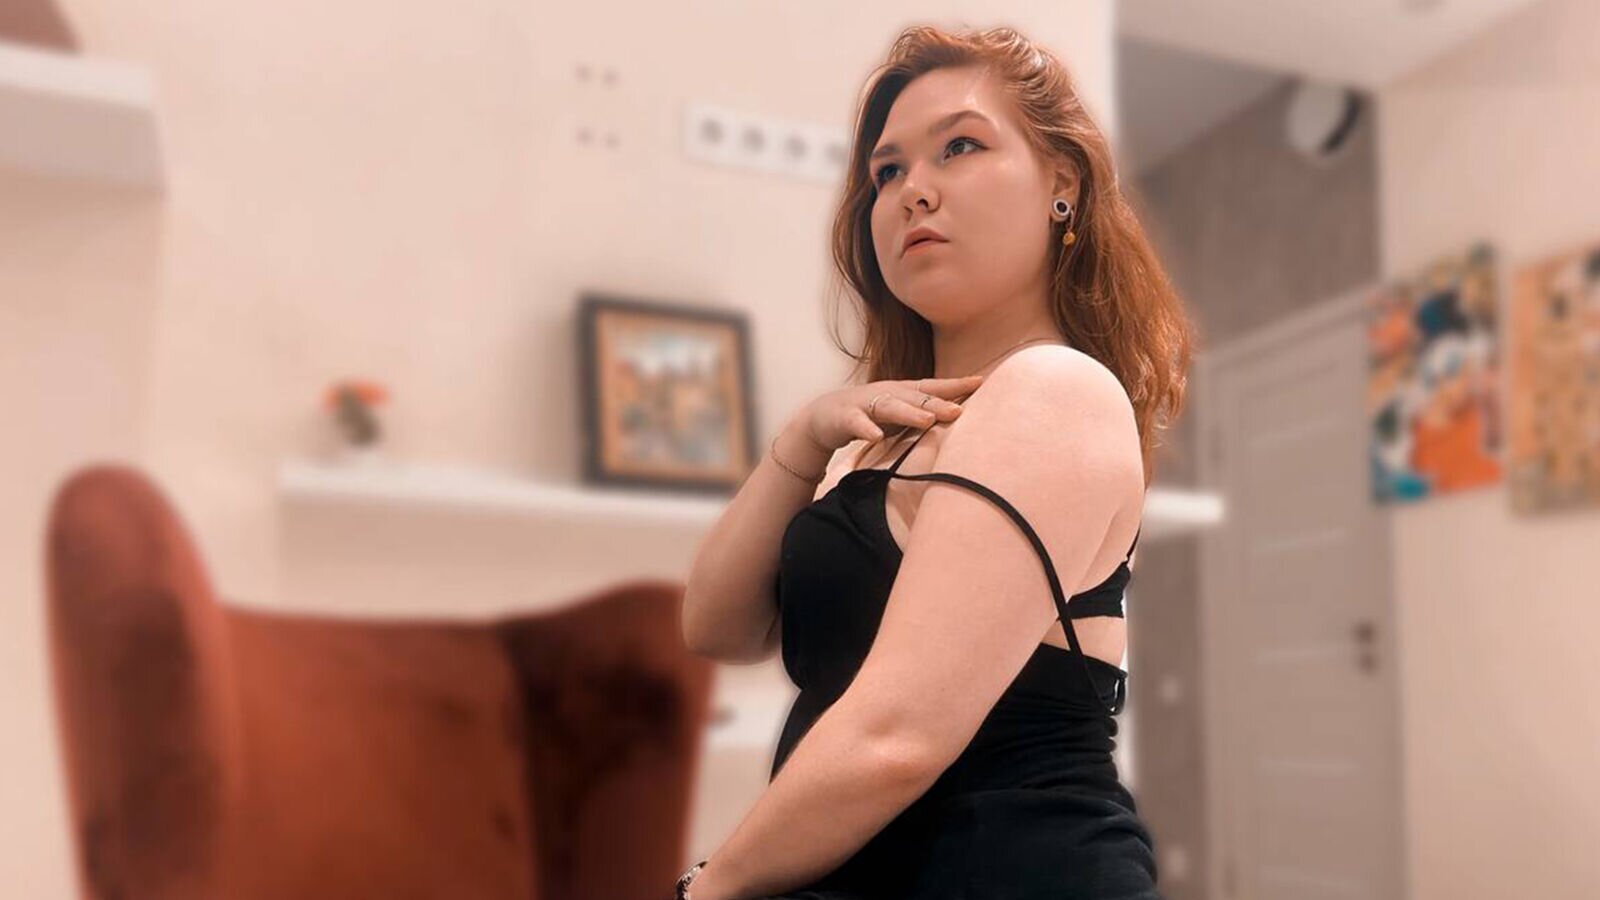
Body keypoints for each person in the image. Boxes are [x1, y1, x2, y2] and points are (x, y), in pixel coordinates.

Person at [678, 23, 1195, 900]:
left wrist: (705, 889)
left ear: (1061, 185)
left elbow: (899, 737)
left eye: (959, 147)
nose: (913, 190)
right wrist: (804, 441)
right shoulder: (891, 438)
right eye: (887, 172)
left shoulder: (1056, 389)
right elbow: (718, 627)